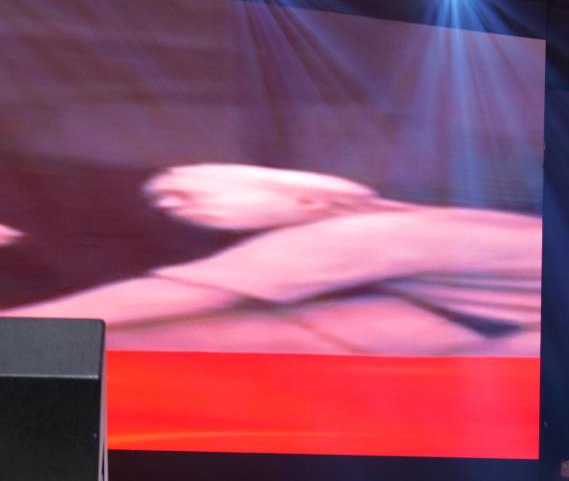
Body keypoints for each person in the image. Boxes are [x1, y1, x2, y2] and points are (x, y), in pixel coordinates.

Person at [7, 163, 541, 356]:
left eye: (190, 192)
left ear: (302, 196)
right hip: (507, 326)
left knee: (173, 335)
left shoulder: (359, 233)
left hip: (528, 333)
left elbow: (161, 297)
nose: (174, 205)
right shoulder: (398, 220)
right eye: (166, 201)